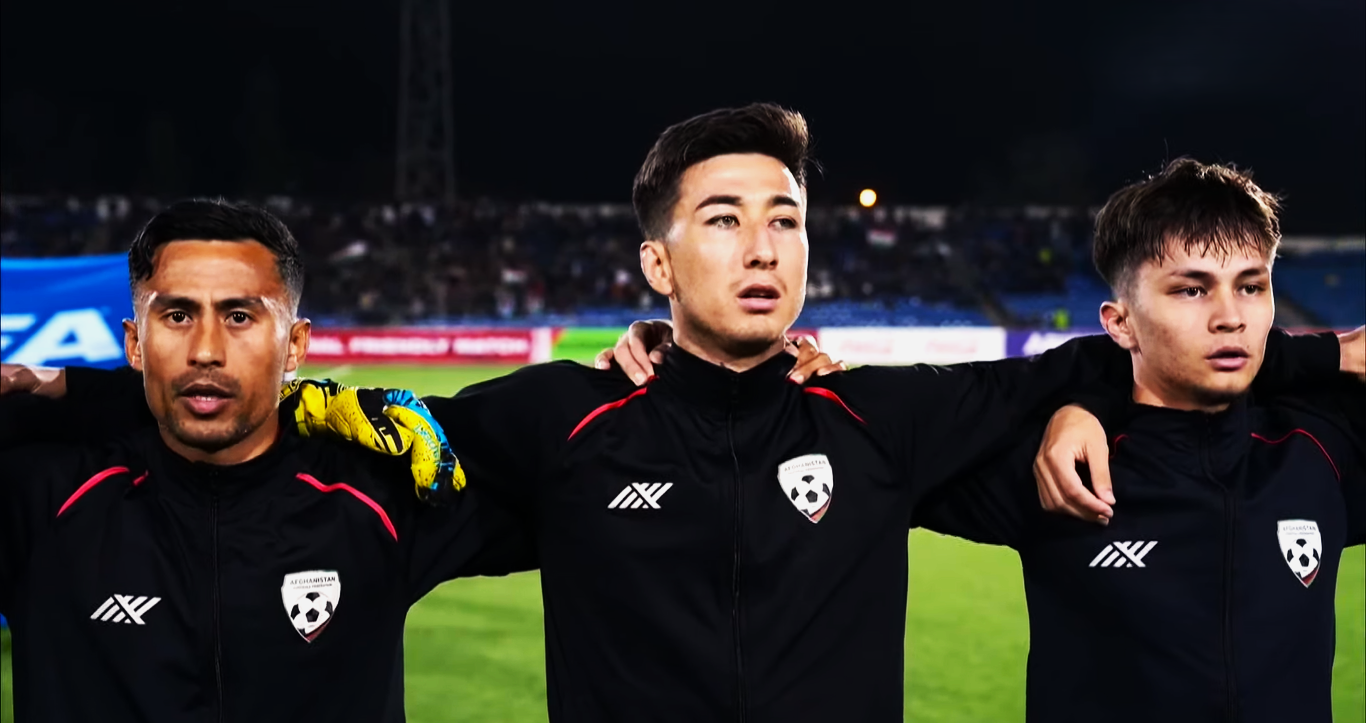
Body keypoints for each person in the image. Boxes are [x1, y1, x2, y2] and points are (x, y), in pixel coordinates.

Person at [7, 108, 1353, 722]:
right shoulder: (556, 420)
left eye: (786, 218)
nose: (762, 244)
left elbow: (1134, 348)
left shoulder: (887, 417)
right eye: (722, 218)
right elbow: (276, 413)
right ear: (656, 262)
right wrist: (85, 388)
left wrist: (1086, 401)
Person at [0, 200, 534, 722]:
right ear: (136, 344)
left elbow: (567, 444)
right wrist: (83, 394)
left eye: (239, 316)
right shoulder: (42, 501)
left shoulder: (378, 495)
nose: (205, 350)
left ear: (295, 346)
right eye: (178, 315)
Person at [902, 159, 1365, 722]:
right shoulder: (1057, 467)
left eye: (1251, 286)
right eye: (1191, 290)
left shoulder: (1321, 448)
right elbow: (887, 444)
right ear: (1119, 323)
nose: (1230, 317)